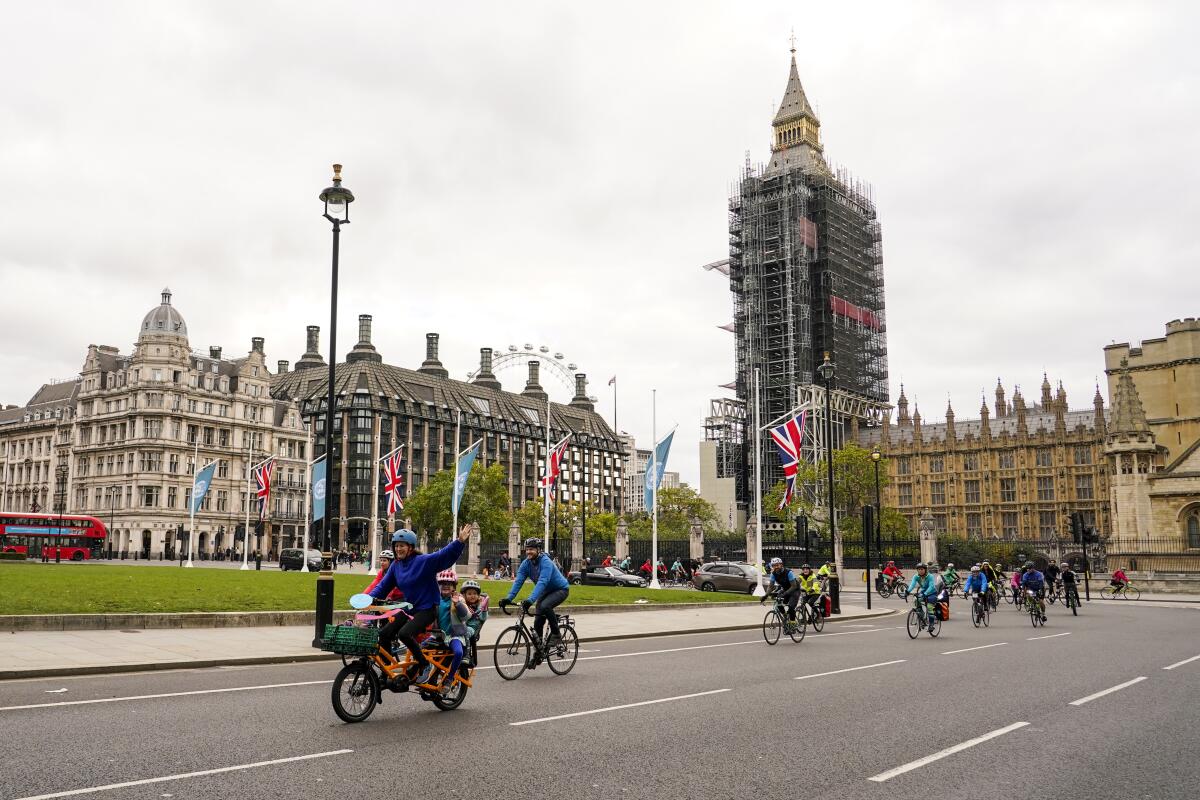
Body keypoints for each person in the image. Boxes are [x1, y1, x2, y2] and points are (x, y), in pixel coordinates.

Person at [368, 525, 472, 686]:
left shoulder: (422, 561)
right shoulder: (395, 566)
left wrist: (459, 541)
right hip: (410, 608)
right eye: (396, 546)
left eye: (402, 546)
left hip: (428, 608)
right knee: (384, 634)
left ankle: (424, 664)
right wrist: (366, 599)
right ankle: (386, 671)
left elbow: (442, 556)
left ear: (410, 547)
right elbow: (382, 587)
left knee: (404, 633)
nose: (398, 549)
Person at [500, 537, 571, 647]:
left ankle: (556, 634)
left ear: (539, 550)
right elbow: (518, 582)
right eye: (527, 549)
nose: (528, 552)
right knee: (538, 618)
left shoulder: (546, 562)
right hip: (545, 591)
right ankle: (539, 648)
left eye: (531, 549)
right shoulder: (526, 564)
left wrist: (530, 600)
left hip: (560, 589)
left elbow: (542, 582)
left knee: (545, 606)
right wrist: (508, 598)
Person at [433, 569, 471, 687]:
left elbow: (467, 616)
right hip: (439, 634)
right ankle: (425, 676)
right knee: (420, 649)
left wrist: (458, 604)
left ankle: (449, 678)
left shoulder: (458, 599)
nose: (445, 586)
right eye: (442, 583)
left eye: (449, 584)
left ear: (454, 586)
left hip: (454, 635)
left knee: (458, 652)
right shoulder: (436, 599)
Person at [760, 557, 801, 623]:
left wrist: (784, 594)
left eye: (777, 565)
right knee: (778, 602)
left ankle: (793, 623)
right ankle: (785, 615)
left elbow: (794, 586)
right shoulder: (773, 574)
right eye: (774, 566)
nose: (776, 567)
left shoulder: (788, 572)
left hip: (795, 590)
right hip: (785, 589)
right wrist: (765, 595)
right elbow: (771, 586)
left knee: (791, 607)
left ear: (781, 565)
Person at [460, 579, 488, 669]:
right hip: (461, 626)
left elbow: (483, 618)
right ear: (464, 595)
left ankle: (467, 655)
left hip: (472, 628)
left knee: (466, 631)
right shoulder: (462, 604)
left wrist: (484, 609)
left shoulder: (480, 606)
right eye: (469, 594)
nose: (472, 596)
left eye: (475, 593)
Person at [906, 563, 938, 631]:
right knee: (916, 600)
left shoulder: (930, 576)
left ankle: (931, 624)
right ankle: (922, 616)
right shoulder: (916, 576)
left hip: (932, 593)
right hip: (924, 592)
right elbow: (912, 584)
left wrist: (925, 593)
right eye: (919, 569)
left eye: (922, 569)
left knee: (929, 607)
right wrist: (907, 591)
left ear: (925, 570)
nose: (920, 571)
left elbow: (931, 586)